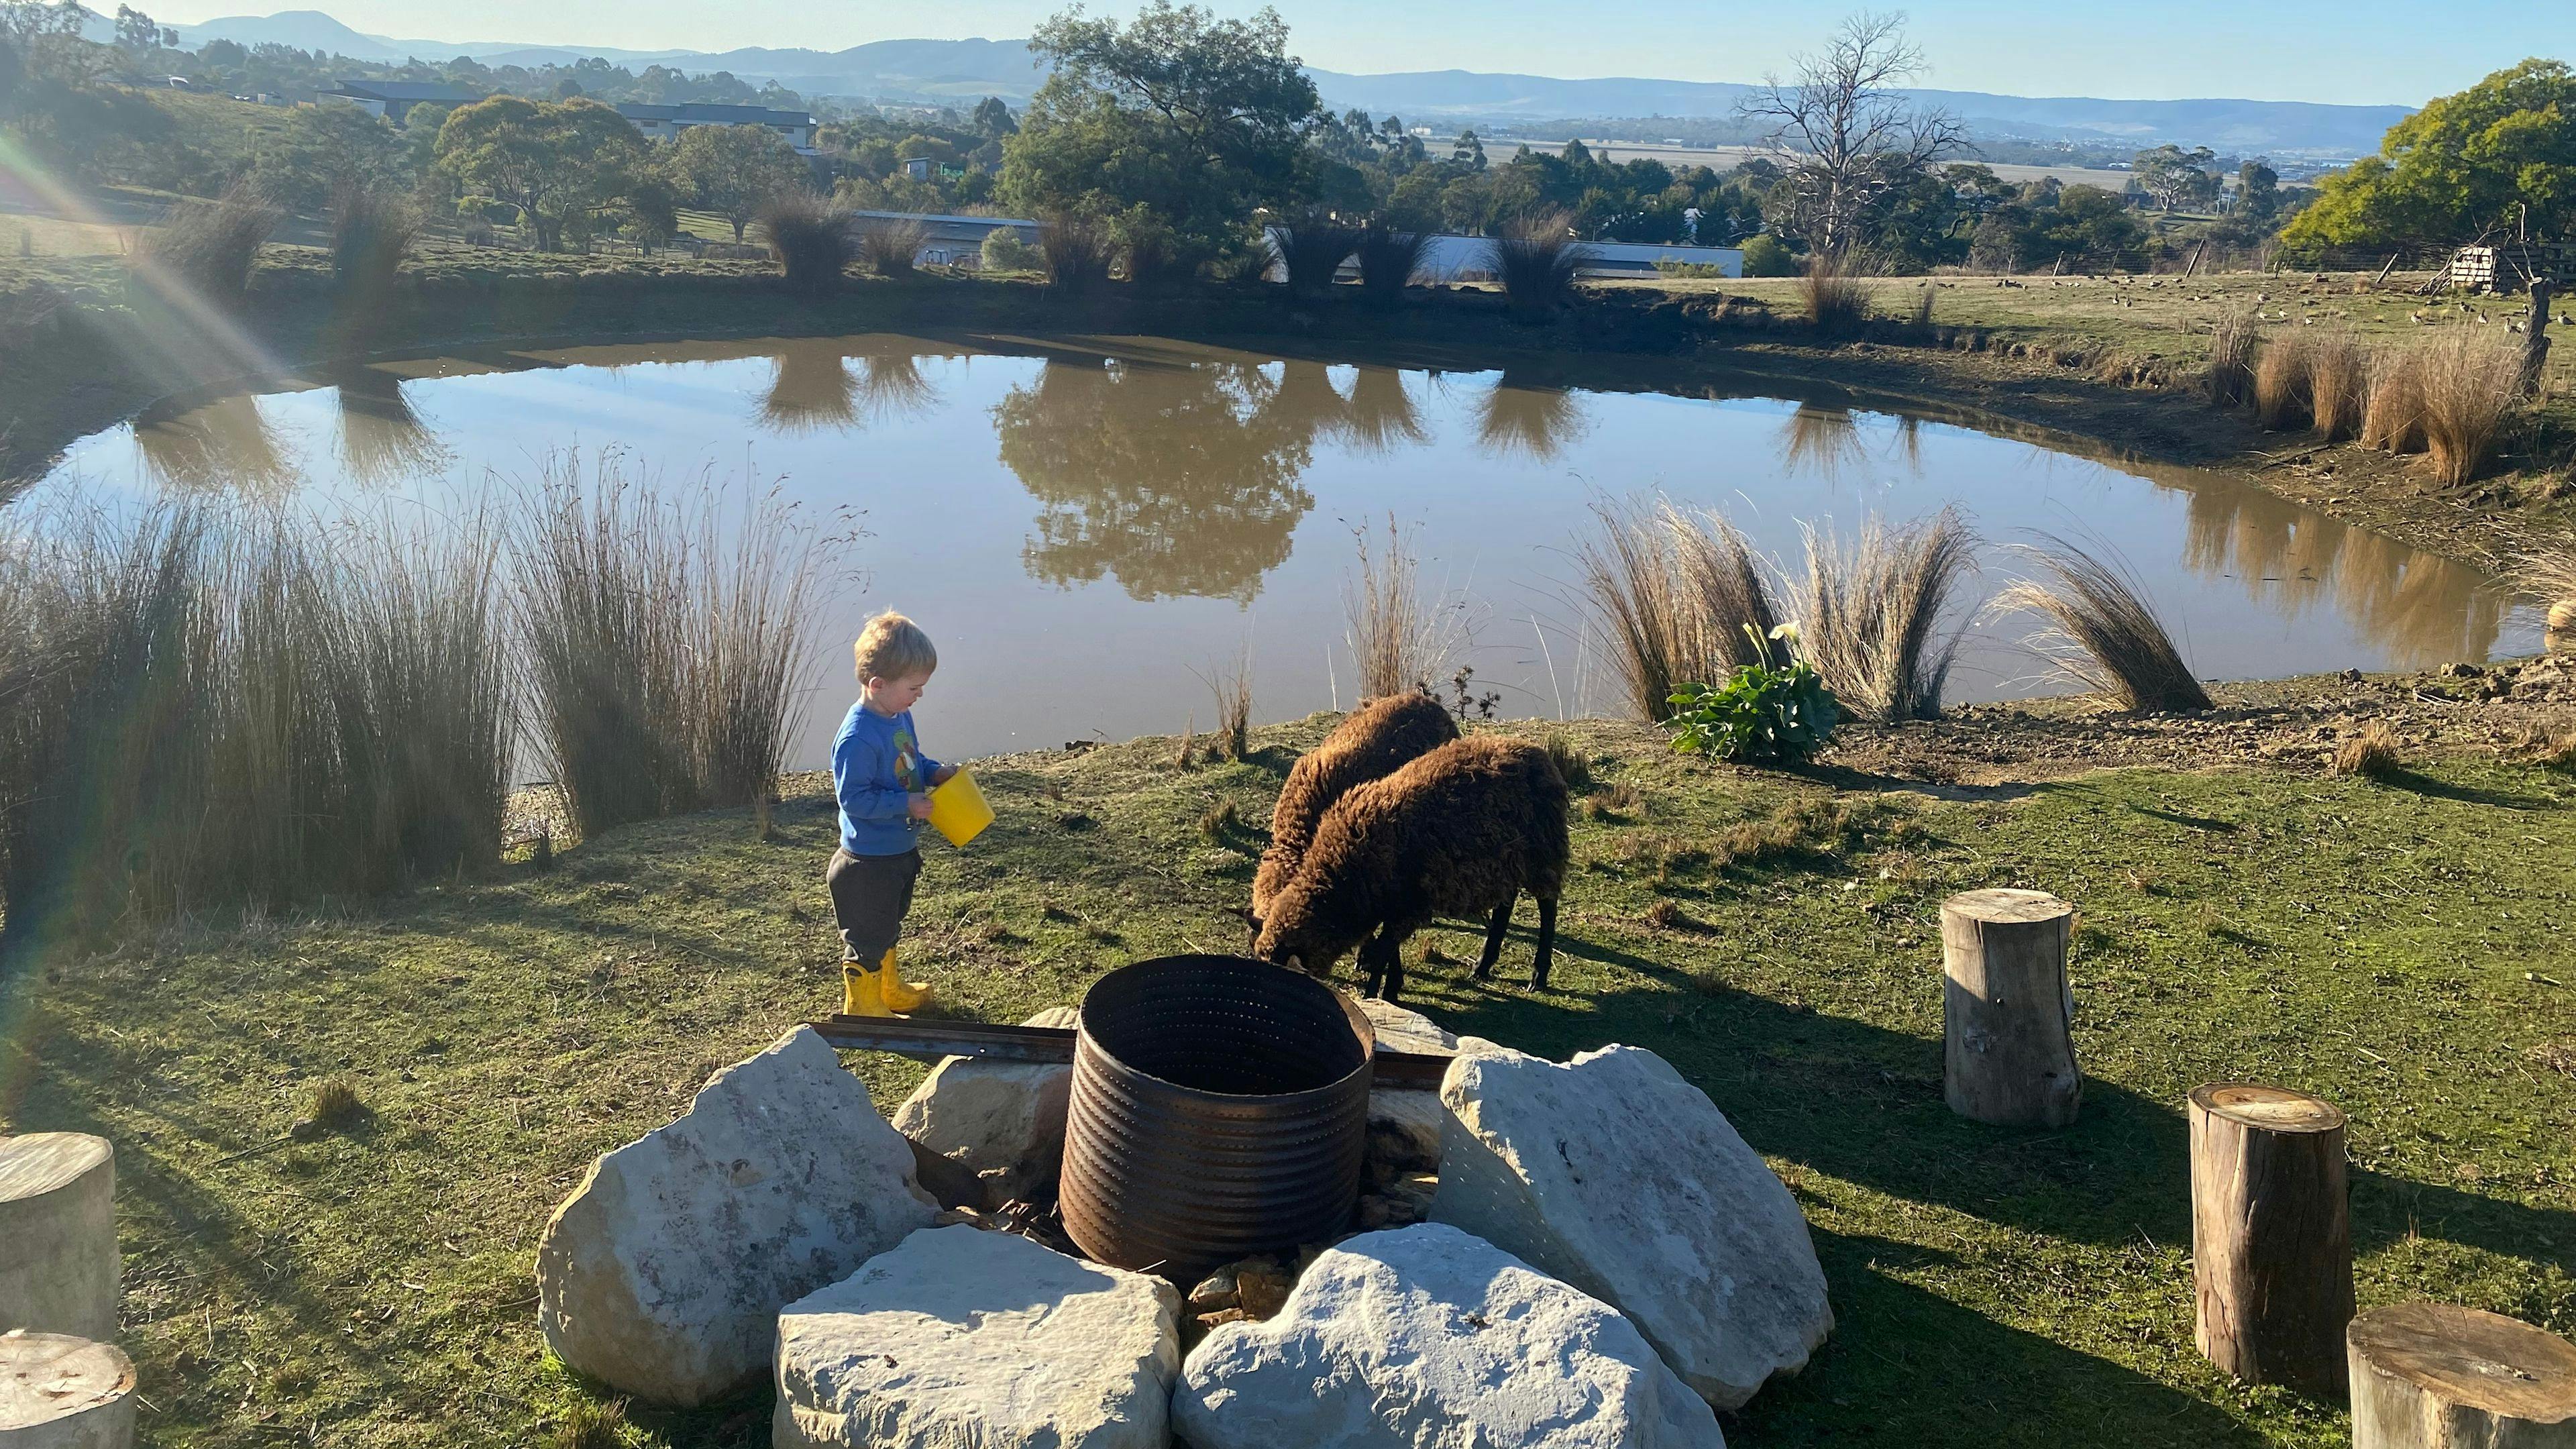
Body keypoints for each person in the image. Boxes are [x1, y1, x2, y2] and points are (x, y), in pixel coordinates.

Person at [828, 610, 957, 1017]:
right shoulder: (858, 737)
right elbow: (854, 799)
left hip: (898, 849)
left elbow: (908, 761)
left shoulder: (897, 715)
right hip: (867, 860)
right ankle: (862, 1006)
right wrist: (905, 804)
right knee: (868, 934)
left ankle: (888, 989)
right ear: (878, 684)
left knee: (888, 924)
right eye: (914, 688)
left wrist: (933, 771)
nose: (920, 695)